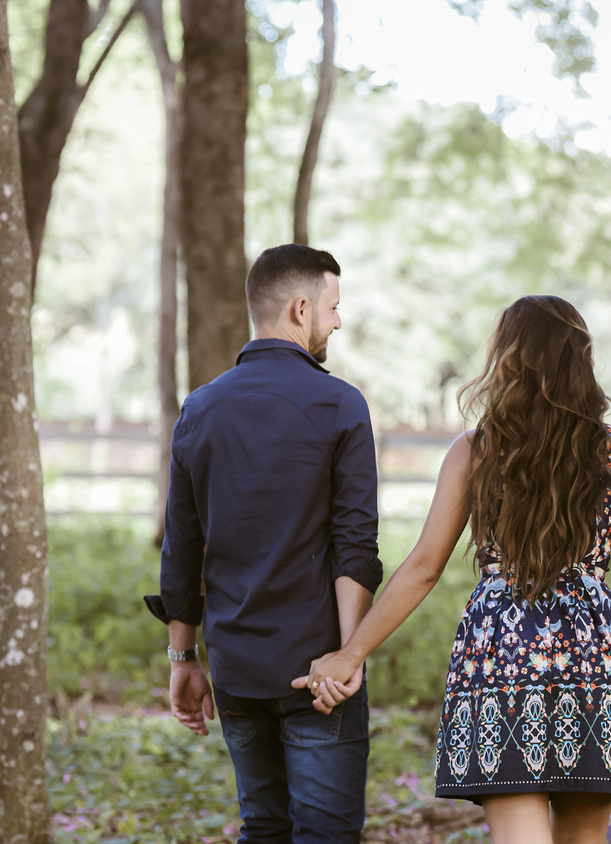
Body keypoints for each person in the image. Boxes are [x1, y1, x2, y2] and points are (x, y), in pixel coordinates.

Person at [296, 295, 611, 843]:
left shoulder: (475, 451)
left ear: (507, 359)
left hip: (499, 661)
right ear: (581, 360)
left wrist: (351, 654)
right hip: (597, 665)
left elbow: (424, 568)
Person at [144, 243, 383, 843]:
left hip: (237, 670)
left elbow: (181, 550)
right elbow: (355, 546)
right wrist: (348, 657)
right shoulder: (341, 405)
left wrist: (183, 660)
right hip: (319, 673)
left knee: (264, 828)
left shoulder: (199, 409)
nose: (337, 321)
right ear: (301, 309)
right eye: (333, 307)